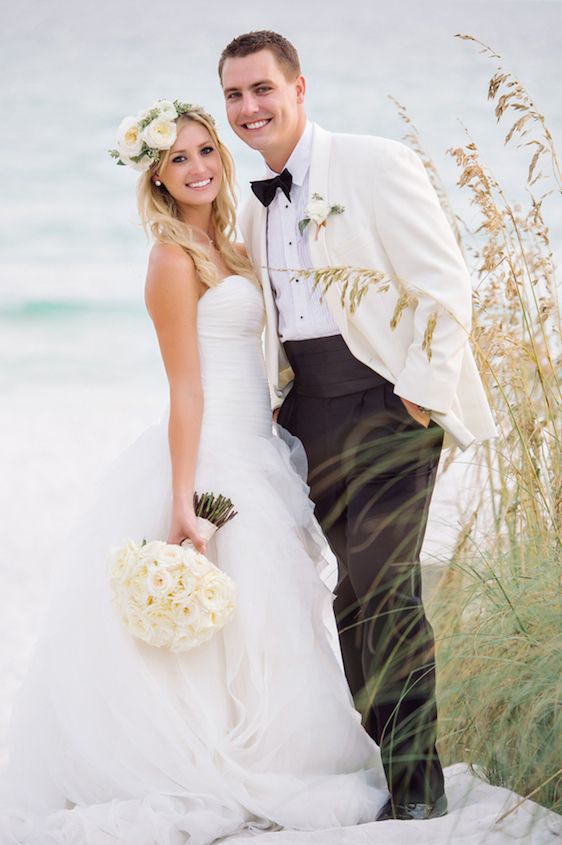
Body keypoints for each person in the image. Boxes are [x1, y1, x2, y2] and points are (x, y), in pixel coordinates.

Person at [0, 100, 389, 844]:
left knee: (267, 615)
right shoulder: (171, 257)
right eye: (178, 158)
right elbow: (184, 385)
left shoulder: (233, 241)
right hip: (212, 453)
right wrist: (183, 500)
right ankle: (215, 762)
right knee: (229, 616)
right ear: (156, 175)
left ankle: (268, 745)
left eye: (205, 150)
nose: (198, 167)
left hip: (260, 442)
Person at [219, 30, 498, 822]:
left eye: (262, 89)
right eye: (235, 95)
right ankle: (388, 759)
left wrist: (415, 393)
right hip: (308, 410)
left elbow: (445, 284)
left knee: (386, 592)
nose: (249, 108)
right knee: (349, 601)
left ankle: (421, 795)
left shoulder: (373, 163)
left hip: (386, 402)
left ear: (299, 89)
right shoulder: (251, 201)